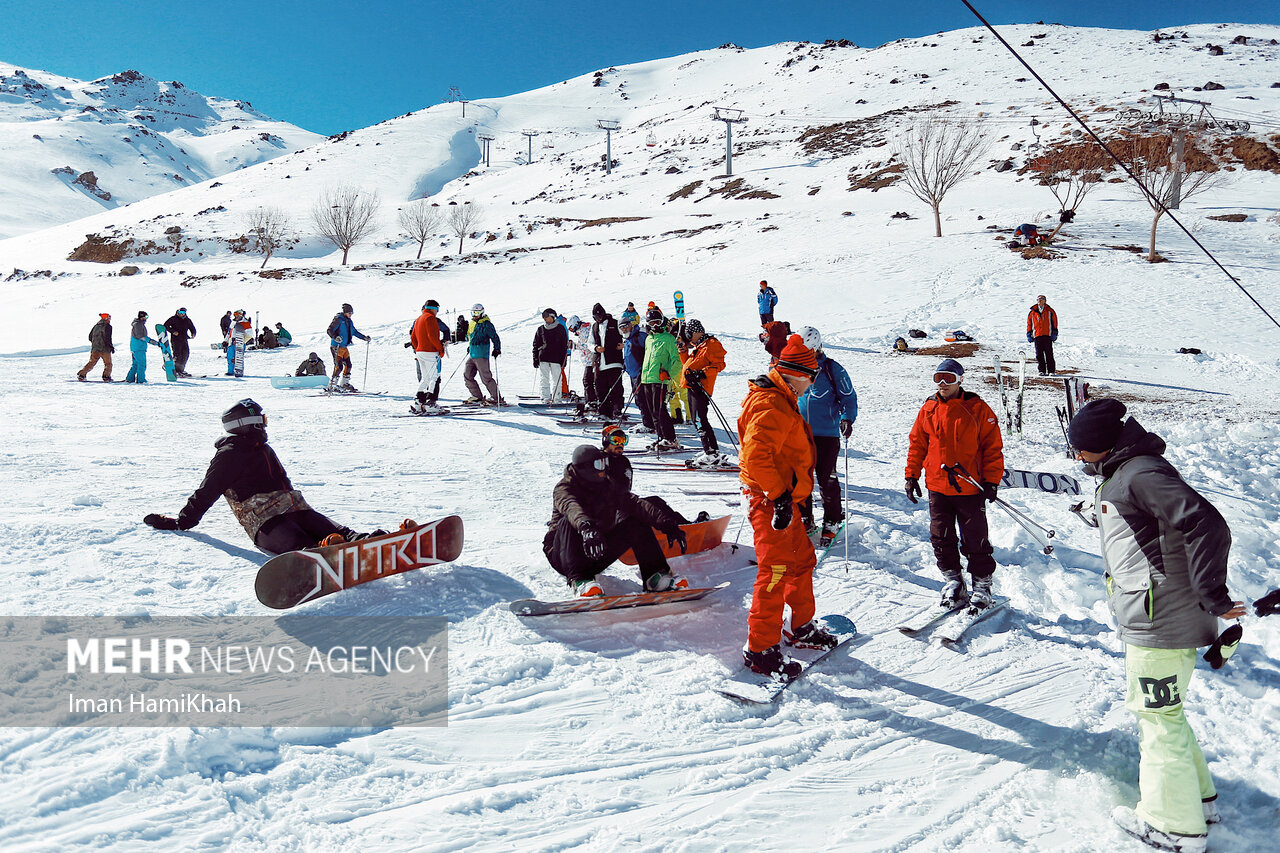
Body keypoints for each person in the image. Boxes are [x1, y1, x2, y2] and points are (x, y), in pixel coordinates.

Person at [1067, 399, 1244, 853]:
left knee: (1157, 719)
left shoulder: (1140, 473)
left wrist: (1213, 594)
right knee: (1166, 714)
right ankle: (1196, 801)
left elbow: (1207, 524)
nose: (1078, 459)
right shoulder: (1129, 472)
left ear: (1100, 446)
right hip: (1160, 614)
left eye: (1080, 450)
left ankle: (1174, 826)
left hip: (1161, 619)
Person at [143, 399, 407, 553]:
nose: (264, 424)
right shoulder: (230, 455)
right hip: (265, 520)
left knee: (335, 532)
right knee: (304, 545)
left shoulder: (262, 448)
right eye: (261, 419)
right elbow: (208, 490)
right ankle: (329, 551)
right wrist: (183, 521)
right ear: (247, 424)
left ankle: (376, 543)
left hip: (293, 509)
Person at [737, 334, 838, 678]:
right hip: (770, 503)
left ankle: (801, 626)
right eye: (811, 377)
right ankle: (760, 649)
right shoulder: (771, 403)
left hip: (784, 501)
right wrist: (779, 496)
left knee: (801, 562)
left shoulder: (781, 396)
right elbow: (755, 456)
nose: (812, 383)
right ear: (798, 373)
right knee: (775, 571)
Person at [904, 358, 1005, 611]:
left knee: (975, 539)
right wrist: (911, 475)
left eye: (948, 378)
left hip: (969, 487)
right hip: (937, 486)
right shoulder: (928, 408)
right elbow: (917, 443)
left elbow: (992, 448)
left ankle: (982, 586)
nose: (942, 384)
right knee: (941, 537)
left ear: (960, 380)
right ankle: (954, 582)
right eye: (938, 378)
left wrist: (992, 480)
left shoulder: (978, 409)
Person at [543, 444, 689, 598]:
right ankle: (580, 581)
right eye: (598, 464)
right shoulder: (564, 488)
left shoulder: (607, 486)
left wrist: (666, 523)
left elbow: (635, 504)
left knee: (635, 521)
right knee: (568, 522)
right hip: (563, 556)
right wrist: (587, 528)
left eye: (604, 463)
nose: (603, 469)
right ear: (583, 467)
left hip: (595, 549)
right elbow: (571, 508)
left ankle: (655, 577)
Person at [796, 326, 858, 544]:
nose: (806, 357)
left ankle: (832, 519)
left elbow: (849, 399)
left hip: (826, 435)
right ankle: (805, 518)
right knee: (800, 478)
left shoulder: (833, 370)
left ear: (817, 347)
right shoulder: (796, 369)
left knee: (826, 478)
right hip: (800, 434)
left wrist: (847, 419)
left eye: (808, 352)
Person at [680, 319, 729, 468]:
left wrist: (701, 374)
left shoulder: (711, 344)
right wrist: (683, 352)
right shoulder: (699, 346)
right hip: (693, 385)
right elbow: (689, 364)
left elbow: (719, 364)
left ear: (696, 331)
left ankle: (711, 453)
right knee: (697, 420)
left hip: (701, 387)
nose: (688, 337)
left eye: (689, 333)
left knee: (700, 420)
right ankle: (711, 451)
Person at [638, 309, 681, 451]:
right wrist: (642, 376)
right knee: (653, 411)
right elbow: (647, 358)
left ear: (662, 322)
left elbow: (677, 360)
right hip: (647, 379)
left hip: (660, 379)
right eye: (651, 323)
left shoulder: (669, 339)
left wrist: (668, 374)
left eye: (657, 322)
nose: (655, 326)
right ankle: (661, 437)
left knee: (660, 409)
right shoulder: (648, 339)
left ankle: (670, 438)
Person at [410, 299, 449, 413]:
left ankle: (419, 401)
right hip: (430, 352)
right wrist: (440, 349)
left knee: (426, 378)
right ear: (433, 308)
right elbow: (432, 336)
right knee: (434, 377)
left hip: (420, 352)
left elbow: (413, 337)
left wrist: (418, 348)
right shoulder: (430, 318)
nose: (437, 312)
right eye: (437, 309)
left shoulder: (419, 318)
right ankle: (430, 403)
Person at [460, 303, 503, 405]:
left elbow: (495, 337)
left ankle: (496, 398)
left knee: (486, 377)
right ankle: (477, 396)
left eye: (476, 313)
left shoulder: (487, 324)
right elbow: (470, 336)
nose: (474, 315)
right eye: (473, 313)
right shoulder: (472, 323)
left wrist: (497, 349)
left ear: (482, 313)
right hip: (472, 354)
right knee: (467, 375)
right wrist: (470, 346)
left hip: (481, 354)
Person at [591, 303, 625, 420]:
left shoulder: (614, 323)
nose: (598, 319)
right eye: (596, 317)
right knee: (600, 389)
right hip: (600, 364)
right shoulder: (594, 327)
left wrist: (623, 345)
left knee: (616, 388)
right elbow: (590, 343)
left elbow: (625, 334)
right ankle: (603, 412)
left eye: (600, 316)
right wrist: (596, 348)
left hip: (614, 361)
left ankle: (617, 410)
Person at [326, 302, 371, 391]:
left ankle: (344, 384)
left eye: (351, 313)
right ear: (345, 312)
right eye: (349, 313)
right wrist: (335, 337)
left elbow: (354, 332)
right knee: (339, 367)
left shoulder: (349, 322)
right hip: (336, 346)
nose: (350, 315)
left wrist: (364, 338)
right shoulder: (338, 319)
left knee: (348, 365)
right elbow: (329, 330)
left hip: (344, 347)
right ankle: (332, 385)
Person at [533, 307, 570, 403]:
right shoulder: (540, 329)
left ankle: (557, 398)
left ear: (552, 316)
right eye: (543, 317)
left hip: (556, 358)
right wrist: (535, 359)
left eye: (546, 316)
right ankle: (545, 398)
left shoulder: (560, 328)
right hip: (543, 357)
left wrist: (563, 361)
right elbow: (536, 344)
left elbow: (564, 345)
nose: (544, 318)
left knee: (557, 379)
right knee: (544, 379)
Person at [620, 320, 650, 431]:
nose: (624, 329)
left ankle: (648, 424)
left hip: (641, 373)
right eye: (621, 328)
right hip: (633, 374)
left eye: (626, 326)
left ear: (631, 326)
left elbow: (648, 352)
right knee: (638, 399)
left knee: (643, 399)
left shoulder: (640, 336)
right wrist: (625, 365)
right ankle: (646, 422)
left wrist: (644, 368)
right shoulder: (628, 339)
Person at [1026, 294, 1059, 376]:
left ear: (1045, 301)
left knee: (1049, 353)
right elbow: (1029, 324)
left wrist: (1055, 332)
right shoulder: (1032, 312)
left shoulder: (1050, 311)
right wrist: (1029, 333)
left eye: (1041, 299)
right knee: (1039, 354)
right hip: (1037, 335)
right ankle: (1042, 370)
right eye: (1038, 299)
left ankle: (1051, 371)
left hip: (1047, 335)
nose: (1039, 301)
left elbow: (1054, 322)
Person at [77, 313, 115, 382]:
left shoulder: (95, 326)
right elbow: (108, 338)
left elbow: (90, 337)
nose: (110, 320)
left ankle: (81, 374)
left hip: (95, 349)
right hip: (105, 349)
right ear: (106, 318)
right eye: (109, 318)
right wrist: (111, 347)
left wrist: (95, 343)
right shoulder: (108, 326)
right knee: (108, 364)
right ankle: (106, 377)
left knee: (92, 362)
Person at [124, 310, 159, 383]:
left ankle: (130, 379)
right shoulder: (138, 324)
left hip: (136, 347)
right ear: (141, 317)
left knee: (136, 364)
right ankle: (141, 380)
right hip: (138, 348)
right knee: (141, 364)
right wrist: (152, 342)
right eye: (146, 317)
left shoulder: (139, 324)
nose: (146, 318)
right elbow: (140, 336)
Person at [163, 307, 196, 378]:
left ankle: (181, 370)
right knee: (178, 355)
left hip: (184, 339)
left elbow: (192, 328)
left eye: (183, 313)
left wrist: (193, 334)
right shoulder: (173, 319)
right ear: (178, 312)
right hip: (176, 340)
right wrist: (173, 331)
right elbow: (165, 325)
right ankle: (176, 371)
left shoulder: (187, 320)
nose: (182, 314)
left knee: (185, 354)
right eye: (180, 313)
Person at [225, 310, 252, 377]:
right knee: (230, 357)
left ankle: (239, 371)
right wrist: (225, 341)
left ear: (241, 315)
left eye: (237, 315)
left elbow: (249, 335)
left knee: (238, 357)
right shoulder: (233, 322)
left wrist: (242, 341)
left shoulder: (245, 323)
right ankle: (230, 371)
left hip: (240, 343)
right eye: (235, 315)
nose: (236, 316)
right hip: (231, 342)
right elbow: (229, 332)